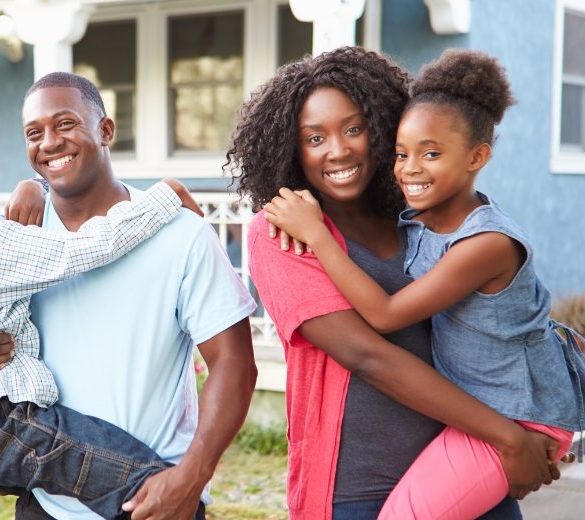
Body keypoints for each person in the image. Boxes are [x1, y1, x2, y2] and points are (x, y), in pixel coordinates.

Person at [224, 46, 563, 520]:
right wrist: (509, 438)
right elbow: (368, 356)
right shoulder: (283, 233)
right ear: (290, 147)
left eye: (354, 128)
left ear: (381, 128)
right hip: (361, 488)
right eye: (314, 137)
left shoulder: (416, 214)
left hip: (465, 463)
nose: (338, 149)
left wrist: (519, 432)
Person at [0, 72, 258, 520]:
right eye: (34, 133)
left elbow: (234, 364)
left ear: (106, 130)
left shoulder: (183, 234)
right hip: (47, 503)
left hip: (159, 498)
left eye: (66, 124)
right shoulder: (17, 234)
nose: (50, 142)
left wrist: (191, 479)